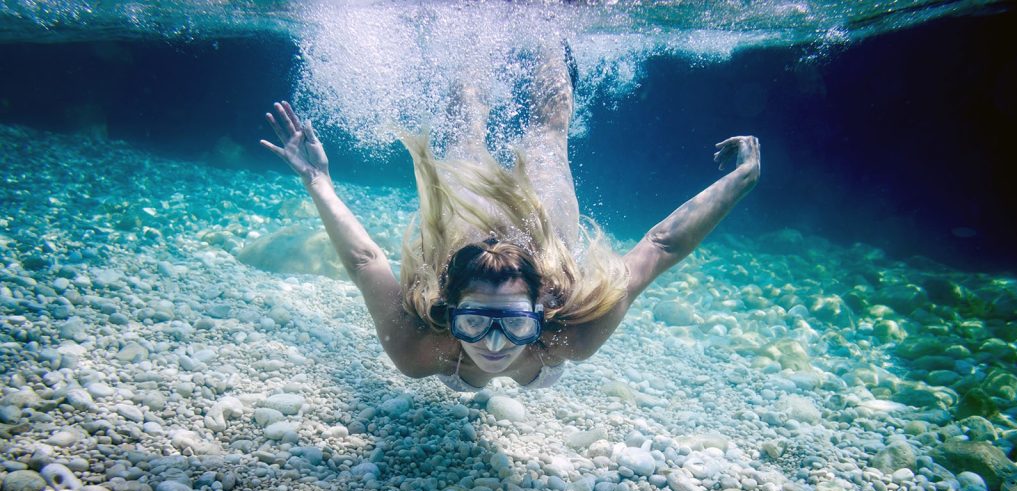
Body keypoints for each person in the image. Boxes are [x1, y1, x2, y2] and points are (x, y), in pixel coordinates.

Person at [261, 49, 760, 391]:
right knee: (531, 133)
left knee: (500, 134)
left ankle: (544, 21)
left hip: (492, 237)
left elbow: (365, 260)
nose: (494, 345)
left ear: (541, 312)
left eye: (516, 324)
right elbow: (660, 247)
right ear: (449, 309)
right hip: (543, 233)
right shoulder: (432, 346)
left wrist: (320, 184)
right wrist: (741, 181)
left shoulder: (431, 352)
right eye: (475, 322)